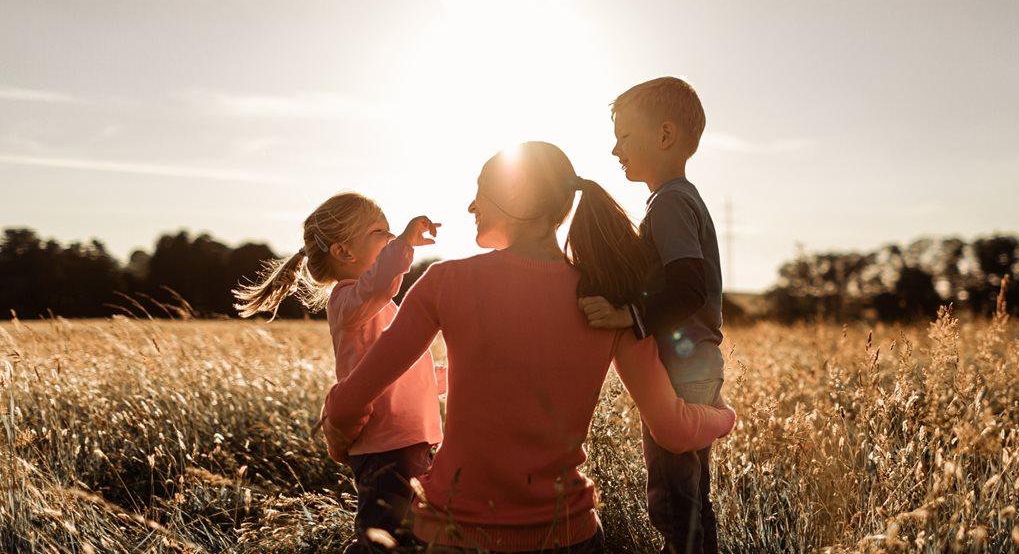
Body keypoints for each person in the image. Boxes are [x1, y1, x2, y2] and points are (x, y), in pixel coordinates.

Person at [322, 141, 736, 553]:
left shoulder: (444, 283)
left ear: (516, 190)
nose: (470, 206)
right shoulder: (609, 304)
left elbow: (347, 403)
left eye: (480, 189)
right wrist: (724, 416)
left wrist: (340, 440)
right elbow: (674, 429)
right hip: (569, 535)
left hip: (454, 535)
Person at [233, 192, 445, 553]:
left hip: (410, 441)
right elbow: (378, 284)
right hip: (386, 447)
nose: (392, 237)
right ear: (344, 252)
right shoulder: (349, 303)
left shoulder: (376, 306)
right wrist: (407, 243)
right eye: (381, 231)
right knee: (383, 541)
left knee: (413, 537)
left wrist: (460, 373)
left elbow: (408, 372)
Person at [579, 76, 726, 554]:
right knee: (692, 497)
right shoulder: (679, 199)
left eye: (624, 136)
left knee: (673, 500)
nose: (615, 148)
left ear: (664, 136)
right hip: (695, 366)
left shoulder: (669, 204)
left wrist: (628, 316)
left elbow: (689, 287)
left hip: (681, 371)